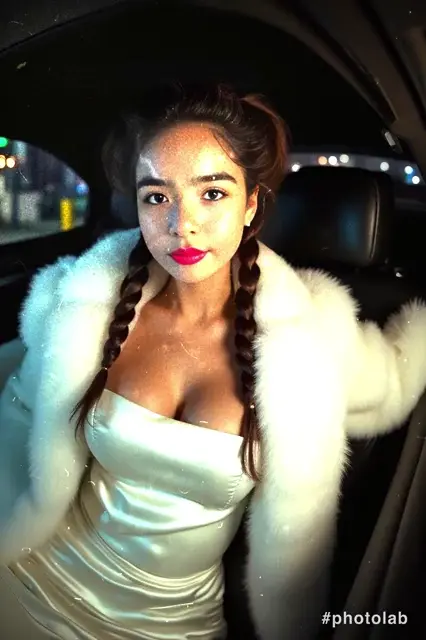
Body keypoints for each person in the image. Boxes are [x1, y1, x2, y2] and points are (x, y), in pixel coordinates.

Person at [0, 83, 426, 640]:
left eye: (213, 193)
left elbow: (393, 377)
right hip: (33, 572)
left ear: (250, 204)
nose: (182, 224)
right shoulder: (85, 309)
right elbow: (18, 424)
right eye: (157, 197)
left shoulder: (310, 340)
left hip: (172, 622)